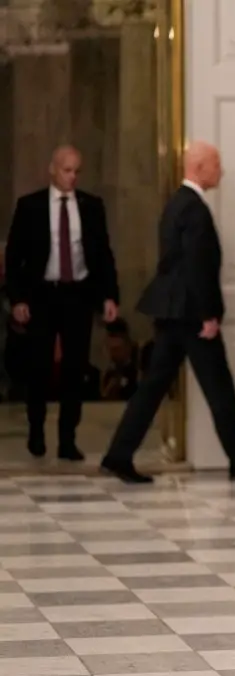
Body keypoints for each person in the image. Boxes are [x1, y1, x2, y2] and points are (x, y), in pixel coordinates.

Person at [101, 141, 235, 484]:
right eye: (216, 164)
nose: (220, 171)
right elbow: (197, 268)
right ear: (199, 168)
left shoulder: (179, 203)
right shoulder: (192, 208)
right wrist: (209, 314)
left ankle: (119, 454)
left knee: (155, 387)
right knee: (217, 388)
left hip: (175, 313)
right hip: (192, 316)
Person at [4, 145, 119, 460]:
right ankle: (36, 432)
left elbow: (103, 255)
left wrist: (109, 295)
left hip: (78, 295)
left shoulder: (92, 206)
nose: (73, 176)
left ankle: (68, 439)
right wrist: (17, 299)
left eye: (77, 171)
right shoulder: (31, 206)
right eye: (67, 170)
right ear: (52, 169)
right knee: (39, 367)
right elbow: (14, 258)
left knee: (75, 368)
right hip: (42, 295)